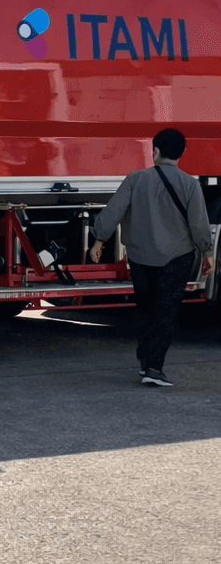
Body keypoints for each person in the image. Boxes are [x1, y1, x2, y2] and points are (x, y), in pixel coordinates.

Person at [91, 128, 215, 387]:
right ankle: (154, 368)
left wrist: (100, 239)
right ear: (182, 153)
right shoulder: (190, 184)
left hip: (140, 256)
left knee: (145, 309)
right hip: (177, 257)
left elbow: (113, 210)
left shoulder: (135, 179)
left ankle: (145, 361)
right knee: (165, 312)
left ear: (155, 151)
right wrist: (207, 252)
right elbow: (199, 225)